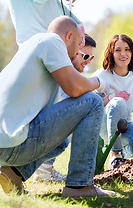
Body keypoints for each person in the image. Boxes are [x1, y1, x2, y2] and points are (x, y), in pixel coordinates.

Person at [0, 16, 115, 198]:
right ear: (69, 36)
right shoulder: (52, 41)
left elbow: (64, 114)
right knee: (93, 102)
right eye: (78, 47)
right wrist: (98, 82)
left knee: (61, 142)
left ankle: (14, 173)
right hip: (10, 144)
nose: (77, 53)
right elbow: (74, 88)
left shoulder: (33, 45)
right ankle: (79, 186)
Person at [4, 0, 84, 181]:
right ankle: (28, 167)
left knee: (53, 106)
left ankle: (35, 169)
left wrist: (78, 23)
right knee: (41, 109)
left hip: (54, 44)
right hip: (35, 43)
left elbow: (55, 5)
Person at [32, 33, 97, 182]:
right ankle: (45, 171)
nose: (88, 62)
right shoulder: (63, 77)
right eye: (85, 56)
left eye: (91, 58)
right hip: (33, 133)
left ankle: (44, 169)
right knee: (79, 117)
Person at [92, 34, 133, 170]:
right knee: (118, 102)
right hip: (102, 125)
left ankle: (123, 153)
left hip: (125, 124)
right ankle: (115, 155)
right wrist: (113, 97)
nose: (123, 54)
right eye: (118, 50)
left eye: (127, 49)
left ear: (132, 52)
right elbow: (90, 106)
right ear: (111, 53)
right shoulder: (100, 75)